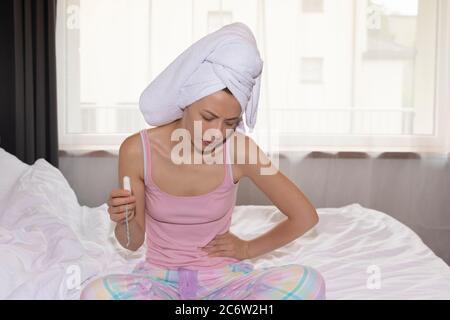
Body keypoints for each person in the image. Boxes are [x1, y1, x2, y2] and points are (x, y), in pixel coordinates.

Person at [80, 22, 325, 300]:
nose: (216, 133)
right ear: (184, 101)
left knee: (309, 282)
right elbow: (132, 243)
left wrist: (246, 250)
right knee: (95, 294)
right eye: (207, 117)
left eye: (230, 123)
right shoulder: (137, 150)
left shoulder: (241, 150)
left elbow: (305, 216)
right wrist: (123, 220)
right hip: (160, 281)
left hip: (225, 282)